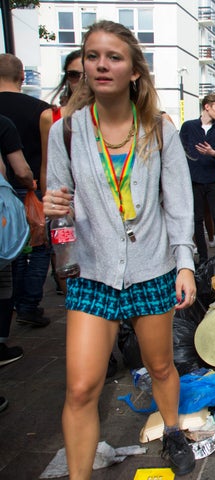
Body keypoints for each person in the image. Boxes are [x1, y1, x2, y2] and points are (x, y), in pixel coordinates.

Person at [43, 20, 197, 477]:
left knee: (161, 366)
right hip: (93, 271)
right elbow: (60, 200)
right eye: (93, 56)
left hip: (152, 266)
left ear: (134, 71)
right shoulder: (66, 132)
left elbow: (180, 205)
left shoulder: (159, 130)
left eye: (114, 57)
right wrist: (53, 206)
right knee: (81, 387)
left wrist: (185, 263)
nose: (101, 65)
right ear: (83, 67)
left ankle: (171, 431)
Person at [0, 54, 53, 328]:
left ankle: (11, 303)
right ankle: (28, 305)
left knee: (11, 252)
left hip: (5, 192)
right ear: (22, 76)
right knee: (40, 248)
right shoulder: (40, 109)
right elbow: (47, 156)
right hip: (30, 189)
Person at [41, 50, 83, 297]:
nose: (80, 81)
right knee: (75, 291)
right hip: (69, 218)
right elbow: (48, 168)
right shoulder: (55, 120)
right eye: (73, 74)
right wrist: (44, 204)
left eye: (84, 74)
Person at [179, 93, 215, 265]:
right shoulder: (188, 127)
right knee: (196, 219)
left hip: (214, 180)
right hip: (193, 180)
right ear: (206, 107)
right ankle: (202, 257)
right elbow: (179, 149)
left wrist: (213, 153)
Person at [0, 115, 34, 367]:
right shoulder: (3, 123)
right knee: (7, 271)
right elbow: (19, 170)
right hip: (10, 206)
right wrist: (30, 183)